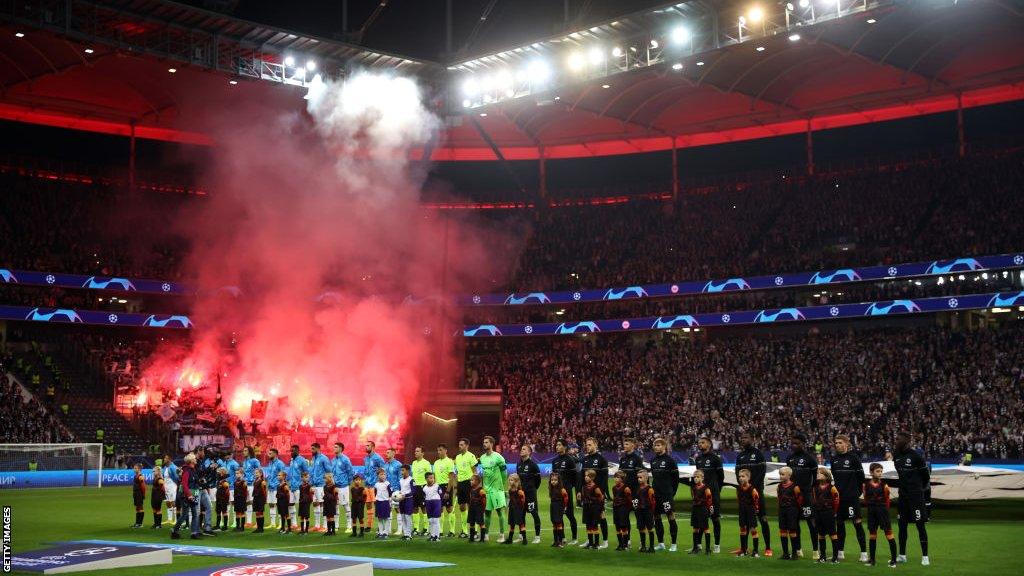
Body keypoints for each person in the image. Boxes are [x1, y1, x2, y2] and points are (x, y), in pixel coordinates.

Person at [893, 430, 930, 566]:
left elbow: (925, 477)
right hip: (903, 497)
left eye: (898, 439)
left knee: (920, 526)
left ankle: (925, 556)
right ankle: (902, 555)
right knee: (902, 526)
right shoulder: (896, 455)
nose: (895, 441)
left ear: (906, 441)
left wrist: (917, 488)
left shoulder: (916, 456)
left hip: (916, 497)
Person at [736, 430, 772, 556]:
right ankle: (744, 548)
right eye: (742, 438)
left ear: (752, 439)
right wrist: (743, 486)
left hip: (756, 491)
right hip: (744, 493)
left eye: (746, 437)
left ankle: (768, 548)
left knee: (763, 519)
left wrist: (752, 487)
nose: (743, 439)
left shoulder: (758, 454)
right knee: (744, 522)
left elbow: (762, 472)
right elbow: (737, 473)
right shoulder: (740, 456)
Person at [832, 434, 867, 561]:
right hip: (839, 499)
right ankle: (840, 552)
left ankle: (863, 553)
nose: (837, 445)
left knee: (857, 523)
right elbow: (835, 479)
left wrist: (855, 494)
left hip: (851, 498)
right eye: (836, 443)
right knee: (839, 524)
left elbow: (861, 479)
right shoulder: (834, 459)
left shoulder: (854, 458)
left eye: (840, 442)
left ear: (847, 444)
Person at [787, 432, 818, 558]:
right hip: (793, 497)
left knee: (811, 523)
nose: (794, 445)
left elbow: (815, 479)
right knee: (794, 523)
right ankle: (798, 549)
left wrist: (810, 492)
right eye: (792, 443)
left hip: (806, 497)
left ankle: (816, 550)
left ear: (803, 444)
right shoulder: (789, 458)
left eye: (797, 443)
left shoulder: (810, 459)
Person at [694, 435, 724, 553]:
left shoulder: (715, 458)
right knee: (702, 520)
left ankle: (717, 545)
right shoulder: (698, 459)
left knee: (715, 519)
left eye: (703, 442)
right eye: (699, 443)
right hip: (701, 496)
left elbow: (721, 477)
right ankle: (699, 545)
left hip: (713, 494)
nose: (700, 444)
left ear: (709, 444)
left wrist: (716, 490)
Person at [864, 462, 898, 567]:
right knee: (872, 536)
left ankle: (893, 561)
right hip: (871, 512)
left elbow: (887, 501)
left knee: (889, 535)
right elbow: (866, 499)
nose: (880, 473)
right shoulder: (866, 486)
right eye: (877, 471)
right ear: (871, 472)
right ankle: (872, 560)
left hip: (882, 512)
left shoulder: (885, 486)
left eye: (881, 471)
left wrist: (884, 511)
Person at [650, 437, 679, 552]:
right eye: (655, 445)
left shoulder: (670, 461)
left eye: (659, 445)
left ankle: (674, 544)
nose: (656, 447)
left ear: (664, 447)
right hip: (656, 495)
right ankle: (661, 543)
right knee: (656, 517)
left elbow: (675, 480)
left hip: (666, 495)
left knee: (670, 516)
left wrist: (671, 493)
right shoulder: (653, 460)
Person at [580, 437, 610, 549]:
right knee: (588, 518)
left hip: (597, 494)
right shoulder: (584, 460)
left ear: (595, 445)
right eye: (587, 445)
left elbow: (604, 478)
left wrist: (601, 493)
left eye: (590, 444)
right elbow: (582, 477)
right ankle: (589, 540)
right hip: (587, 495)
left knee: (601, 517)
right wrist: (580, 491)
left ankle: (605, 541)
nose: (588, 446)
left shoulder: (602, 460)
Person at [550, 439, 579, 544]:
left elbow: (575, 477)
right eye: (556, 445)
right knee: (558, 515)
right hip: (556, 493)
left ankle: (575, 538)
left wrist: (570, 487)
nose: (557, 447)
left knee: (570, 514)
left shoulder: (570, 460)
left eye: (559, 445)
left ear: (565, 447)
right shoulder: (555, 461)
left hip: (566, 492)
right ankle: (562, 538)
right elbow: (553, 477)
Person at [812, 466, 840, 563]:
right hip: (818, 513)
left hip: (828, 513)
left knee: (833, 534)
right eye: (817, 473)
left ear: (827, 476)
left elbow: (836, 500)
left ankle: (835, 557)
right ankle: (822, 556)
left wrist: (834, 512)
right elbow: (815, 500)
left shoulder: (832, 488)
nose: (818, 475)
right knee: (821, 534)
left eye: (821, 473)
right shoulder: (815, 488)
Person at [171, 453, 200, 540]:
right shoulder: (187, 470)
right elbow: (184, 484)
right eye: (194, 458)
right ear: (191, 461)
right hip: (186, 495)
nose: (196, 459)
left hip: (191, 494)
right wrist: (189, 495)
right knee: (185, 514)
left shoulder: (191, 469)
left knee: (194, 513)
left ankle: (193, 533)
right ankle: (175, 531)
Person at [776, 466, 803, 560]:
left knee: (792, 531)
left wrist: (796, 511)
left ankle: (795, 554)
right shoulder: (779, 486)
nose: (780, 476)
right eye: (780, 474)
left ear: (789, 475)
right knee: (782, 531)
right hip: (782, 510)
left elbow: (799, 500)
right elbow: (779, 498)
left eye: (782, 474)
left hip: (792, 510)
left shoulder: (795, 487)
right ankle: (785, 553)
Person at [518, 444, 543, 543]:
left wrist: (532, 489)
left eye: (524, 449)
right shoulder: (519, 464)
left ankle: (537, 537)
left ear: (529, 452)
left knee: (534, 513)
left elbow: (538, 480)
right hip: (521, 494)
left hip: (530, 494)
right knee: (521, 514)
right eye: (521, 449)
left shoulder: (533, 465)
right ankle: (521, 535)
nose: (521, 450)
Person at [454, 438, 478, 538]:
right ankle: (464, 531)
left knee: (471, 506)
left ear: (467, 446)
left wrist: (475, 484)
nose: (460, 446)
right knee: (462, 506)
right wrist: (456, 485)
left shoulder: (471, 456)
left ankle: (475, 531)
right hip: (460, 483)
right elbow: (456, 472)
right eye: (459, 445)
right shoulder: (457, 457)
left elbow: (475, 472)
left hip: (469, 483)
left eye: (462, 445)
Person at [736, 468, 762, 557]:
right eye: (739, 476)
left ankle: (755, 551)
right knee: (742, 529)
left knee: (753, 529)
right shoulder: (738, 488)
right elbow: (739, 499)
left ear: (748, 477)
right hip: (742, 511)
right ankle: (744, 550)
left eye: (743, 476)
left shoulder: (752, 489)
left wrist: (756, 510)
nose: (740, 478)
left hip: (750, 511)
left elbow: (756, 500)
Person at [432, 444, 456, 537]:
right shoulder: (436, 462)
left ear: (446, 451)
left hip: (446, 486)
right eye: (438, 450)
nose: (439, 452)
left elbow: (451, 478)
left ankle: (452, 531)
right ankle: (440, 530)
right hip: (438, 487)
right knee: (440, 508)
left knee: (449, 508)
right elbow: (434, 477)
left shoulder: (449, 462)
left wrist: (448, 491)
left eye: (440, 450)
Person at [687, 469, 712, 555]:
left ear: (702, 478)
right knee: (695, 528)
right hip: (695, 509)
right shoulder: (693, 488)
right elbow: (694, 498)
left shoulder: (706, 488)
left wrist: (709, 510)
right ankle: (695, 548)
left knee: (705, 528)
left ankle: (708, 549)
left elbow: (709, 499)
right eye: (694, 477)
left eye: (698, 477)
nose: (696, 479)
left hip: (703, 510)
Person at [331, 443, 355, 531]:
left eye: (336, 447)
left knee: (346, 505)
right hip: (335, 487)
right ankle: (336, 526)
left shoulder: (345, 459)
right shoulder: (333, 460)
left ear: (341, 448)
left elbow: (350, 472)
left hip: (343, 486)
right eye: (334, 447)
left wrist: (347, 483)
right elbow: (332, 473)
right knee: (335, 506)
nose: (334, 448)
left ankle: (349, 526)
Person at [308, 442, 332, 532]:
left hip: (321, 485)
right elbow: (311, 471)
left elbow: (329, 470)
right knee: (315, 503)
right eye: (311, 449)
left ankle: (325, 526)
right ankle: (317, 525)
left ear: (318, 448)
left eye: (313, 449)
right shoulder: (313, 458)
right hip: (314, 485)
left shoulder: (324, 458)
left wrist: (326, 481)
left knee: (322, 504)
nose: (311, 450)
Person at [580, 469, 605, 550]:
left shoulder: (595, 487)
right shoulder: (584, 487)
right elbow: (584, 497)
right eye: (585, 476)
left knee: (594, 525)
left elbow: (601, 498)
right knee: (588, 525)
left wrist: (601, 510)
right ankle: (590, 543)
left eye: (588, 476)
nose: (586, 477)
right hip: (587, 507)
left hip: (594, 508)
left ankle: (596, 543)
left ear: (593, 477)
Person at [410, 446, 432, 536]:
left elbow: (430, 476)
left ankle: (426, 528)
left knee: (424, 508)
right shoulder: (414, 463)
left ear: (422, 453)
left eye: (418, 451)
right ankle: (416, 528)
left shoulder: (426, 463)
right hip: (415, 488)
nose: (415, 452)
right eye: (415, 451)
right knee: (414, 508)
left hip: (423, 488)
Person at [287, 445, 310, 527]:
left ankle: (303, 525)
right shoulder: (292, 460)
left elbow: (306, 473)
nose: (291, 452)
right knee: (290, 504)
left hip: (299, 487)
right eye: (291, 451)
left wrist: (304, 484)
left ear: (297, 451)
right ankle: (294, 524)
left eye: (293, 451)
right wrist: (288, 481)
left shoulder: (302, 460)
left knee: (302, 506)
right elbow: (290, 473)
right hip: (291, 486)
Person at [635, 469, 656, 554]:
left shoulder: (649, 489)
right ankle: (643, 546)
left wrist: (651, 511)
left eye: (641, 477)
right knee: (641, 528)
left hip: (647, 510)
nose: (639, 479)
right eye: (638, 477)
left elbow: (653, 501)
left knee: (650, 528)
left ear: (646, 478)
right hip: (639, 511)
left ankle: (651, 547)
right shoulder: (638, 488)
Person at [265, 448, 287, 529]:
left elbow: (283, 474)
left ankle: (281, 523)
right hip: (270, 487)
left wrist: (279, 485)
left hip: (277, 487)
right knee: (271, 505)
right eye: (269, 453)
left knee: (279, 505)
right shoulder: (270, 463)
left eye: (270, 453)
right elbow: (270, 474)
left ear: (275, 454)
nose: (269, 454)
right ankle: (273, 523)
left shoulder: (280, 463)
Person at [503, 473, 528, 545]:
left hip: (518, 509)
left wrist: (520, 507)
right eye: (509, 480)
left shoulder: (519, 491)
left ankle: (525, 539)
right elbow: (510, 499)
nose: (510, 481)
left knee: (521, 524)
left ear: (516, 481)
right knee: (512, 524)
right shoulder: (510, 489)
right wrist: (507, 506)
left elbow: (523, 499)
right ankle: (510, 539)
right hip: (512, 508)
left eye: (512, 480)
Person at [383, 448, 403, 535]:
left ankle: (399, 529)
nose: (386, 454)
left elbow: (400, 478)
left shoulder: (398, 465)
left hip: (396, 490)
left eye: (388, 453)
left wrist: (399, 490)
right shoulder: (385, 465)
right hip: (387, 490)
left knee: (398, 509)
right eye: (386, 452)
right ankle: (389, 529)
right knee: (389, 509)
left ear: (393, 453)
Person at [611, 470, 632, 551]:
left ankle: (625, 544)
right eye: (615, 477)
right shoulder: (613, 488)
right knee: (617, 526)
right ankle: (620, 544)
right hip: (616, 508)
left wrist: (627, 509)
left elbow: (629, 500)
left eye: (618, 477)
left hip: (623, 509)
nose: (616, 479)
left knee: (624, 526)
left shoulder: (626, 488)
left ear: (622, 479)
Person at [549, 472, 570, 548]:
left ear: (559, 481)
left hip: (559, 506)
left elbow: (566, 498)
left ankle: (560, 542)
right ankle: (555, 541)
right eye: (552, 480)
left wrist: (564, 507)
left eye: (555, 480)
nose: (553, 481)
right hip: (553, 506)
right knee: (554, 523)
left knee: (559, 523)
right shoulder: (551, 488)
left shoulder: (562, 489)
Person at [242, 446, 261, 526]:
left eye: (245, 450)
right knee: (247, 503)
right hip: (246, 485)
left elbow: (259, 472)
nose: (244, 452)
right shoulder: (244, 461)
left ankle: (258, 522)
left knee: (255, 503)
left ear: (249, 452)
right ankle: (249, 522)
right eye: (243, 450)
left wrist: (255, 482)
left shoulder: (255, 461)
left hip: (253, 485)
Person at [423, 472, 444, 541]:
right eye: (430, 478)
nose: (432, 479)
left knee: (435, 520)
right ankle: (432, 535)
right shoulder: (424, 488)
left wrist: (441, 505)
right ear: (426, 479)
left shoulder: (437, 486)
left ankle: (437, 536)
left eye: (433, 478)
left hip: (436, 502)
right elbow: (424, 496)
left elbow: (441, 495)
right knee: (430, 520)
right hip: (428, 503)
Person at [467, 474, 487, 542]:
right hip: (472, 509)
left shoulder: (481, 491)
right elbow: (471, 499)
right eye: (470, 480)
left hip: (479, 509)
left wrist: (483, 509)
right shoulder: (471, 490)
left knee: (481, 523)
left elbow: (484, 501)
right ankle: (471, 538)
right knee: (471, 523)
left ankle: (482, 538)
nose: (470, 481)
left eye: (472, 480)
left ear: (477, 481)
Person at [373, 468, 392, 539]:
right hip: (378, 502)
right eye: (381, 474)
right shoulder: (376, 484)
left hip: (385, 502)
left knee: (386, 518)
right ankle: (380, 532)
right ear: (378, 475)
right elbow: (375, 493)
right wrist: (375, 500)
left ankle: (386, 533)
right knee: (380, 518)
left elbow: (390, 493)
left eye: (384, 474)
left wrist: (390, 502)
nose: (383, 476)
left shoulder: (387, 484)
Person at [398, 464, 415, 539]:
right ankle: (405, 534)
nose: (401, 472)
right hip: (401, 500)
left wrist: (406, 495)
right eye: (401, 470)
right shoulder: (401, 480)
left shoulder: (411, 480)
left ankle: (409, 534)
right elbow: (400, 490)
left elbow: (413, 491)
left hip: (408, 500)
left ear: (407, 471)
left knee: (408, 517)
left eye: (403, 470)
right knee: (403, 516)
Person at [162, 455, 179, 526]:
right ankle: (169, 519)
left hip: (172, 486)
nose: (164, 459)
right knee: (168, 502)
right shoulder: (165, 467)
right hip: (166, 487)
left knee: (173, 502)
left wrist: (177, 485)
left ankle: (176, 520)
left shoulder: (173, 467)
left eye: (165, 458)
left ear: (169, 459)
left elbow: (177, 477)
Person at [251, 468, 268, 533]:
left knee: (260, 512)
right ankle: (258, 528)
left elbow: (264, 491)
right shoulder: (255, 481)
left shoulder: (262, 481)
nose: (256, 474)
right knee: (257, 512)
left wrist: (265, 499)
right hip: (255, 498)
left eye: (257, 473)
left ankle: (261, 528)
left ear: (261, 474)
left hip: (260, 498)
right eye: (255, 473)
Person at [323, 472, 339, 536]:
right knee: (327, 516)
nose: (325, 480)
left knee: (331, 516)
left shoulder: (334, 486)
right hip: (326, 502)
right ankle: (329, 531)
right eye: (324, 479)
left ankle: (333, 531)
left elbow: (336, 495)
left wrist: (335, 501)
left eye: (326, 478)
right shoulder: (325, 486)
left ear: (330, 478)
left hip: (331, 503)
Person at [215, 467, 230, 531]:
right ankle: (217, 526)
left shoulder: (225, 481)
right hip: (218, 498)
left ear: (222, 473)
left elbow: (227, 490)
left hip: (223, 498)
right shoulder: (219, 481)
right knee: (218, 511)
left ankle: (225, 526)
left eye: (218, 472)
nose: (217, 473)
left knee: (224, 511)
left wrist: (226, 500)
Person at [132, 463, 146, 528]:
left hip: (139, 493)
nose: (134, 469)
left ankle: (140, 523)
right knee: (137, 508)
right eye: (134, 468)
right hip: (136, 493)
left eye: (135, 468)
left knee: (140, 508)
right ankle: (137, 523)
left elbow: (143, 486)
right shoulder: (136, 476)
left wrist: (143, 494)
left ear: (139, 469)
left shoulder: (140, 477)